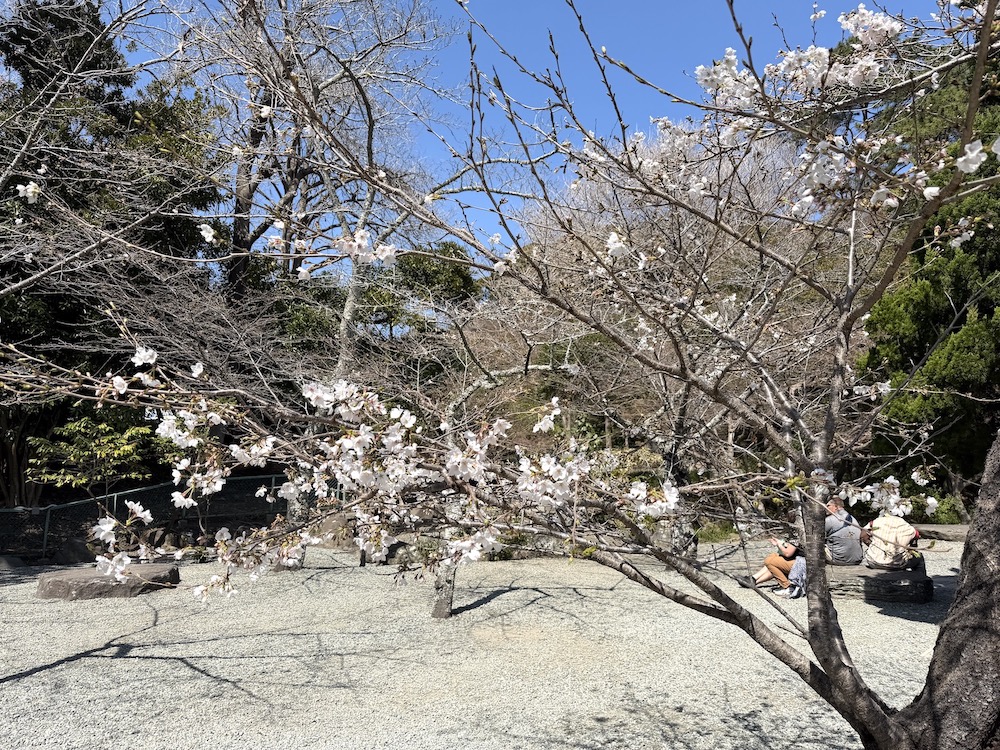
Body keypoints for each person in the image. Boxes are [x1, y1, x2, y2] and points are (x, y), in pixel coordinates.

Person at [825, 496, 863, 565]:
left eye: (828, 505)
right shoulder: (854, 519)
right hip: (856, 559)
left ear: (836, 507)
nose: (825, 507)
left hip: (837, 559)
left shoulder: (829, 520)